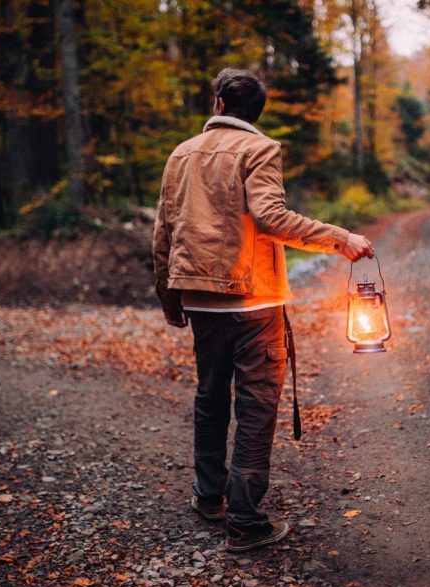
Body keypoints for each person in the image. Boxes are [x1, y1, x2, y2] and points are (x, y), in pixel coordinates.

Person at [152, 68, 374, 552]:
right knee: (255, 407)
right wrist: (342, 239)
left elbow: (165, 230)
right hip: (255, 301)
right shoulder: (261, 148)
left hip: (200, 299)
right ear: (256, 112)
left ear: (218, 104)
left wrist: (171, 298)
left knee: (210, 398)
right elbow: (271, 218)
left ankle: (210, 498)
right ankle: (246, 521)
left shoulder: (181, 153)